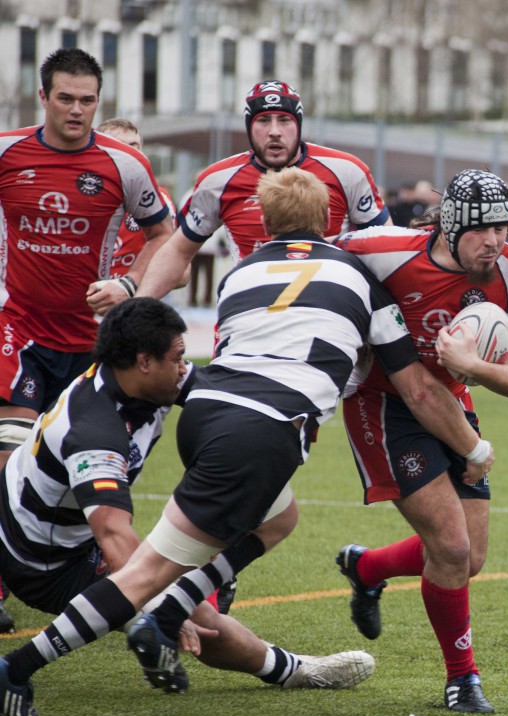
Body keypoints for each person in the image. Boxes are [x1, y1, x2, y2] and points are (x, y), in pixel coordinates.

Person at [0, 167, 491, 716]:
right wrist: (474, 449)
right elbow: (418, 388)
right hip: (259, 436)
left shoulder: (242, 273)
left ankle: (173, 610)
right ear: (329, 220)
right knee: (145, 578)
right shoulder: (357, 275)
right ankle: (19, 667)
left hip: (208, 414)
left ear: (263, 223)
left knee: (279, 518)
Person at [0, 297, 375, 692]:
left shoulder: (134, 381)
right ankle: (295, 671)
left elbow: (225, 393)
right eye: (178, 357)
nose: (185, 367)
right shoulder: (95, 432)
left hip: (37, 525)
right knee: (195, 617)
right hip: (43, 562)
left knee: (280, 513)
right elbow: (113, 537)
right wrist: (165, 610)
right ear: (144, 361)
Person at [331, 169, 508, 714]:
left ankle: (367, 568)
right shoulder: (382, 251)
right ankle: (462, 680)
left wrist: (473, 367)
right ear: (449, 226)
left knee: (468, 558)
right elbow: (317, 253)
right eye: (479, 229)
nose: (492, 241)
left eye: (500, 226)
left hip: (450, 398)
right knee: (450, 547)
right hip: (382, 404)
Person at [0, 49, 174, 633]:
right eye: (66, 98)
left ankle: (99, 565)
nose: (77, 110)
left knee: (99, 471)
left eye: (88, 100)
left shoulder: (123, 165)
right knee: (9, 460)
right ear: (43, 97)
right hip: (19, 329)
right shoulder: (8, 152)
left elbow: (164, 237)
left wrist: (127, 283)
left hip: (93, 345)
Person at [139, 79, 389, 295]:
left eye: (284, 120)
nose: (274, 132)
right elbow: (178, 251)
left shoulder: (346, 170)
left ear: (299, 125)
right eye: (263, 121)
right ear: (248, 127)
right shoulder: (218, 180)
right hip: (247, 311)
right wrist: (138, 304)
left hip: (328, 310)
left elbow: (387, 244)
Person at [94, 118, 179, 284]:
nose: (129, 155)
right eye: (119, 146)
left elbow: (180, 272)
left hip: (131, 301)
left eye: (134, 147)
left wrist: (128, 285)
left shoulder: (158, 199)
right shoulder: (81, 194)